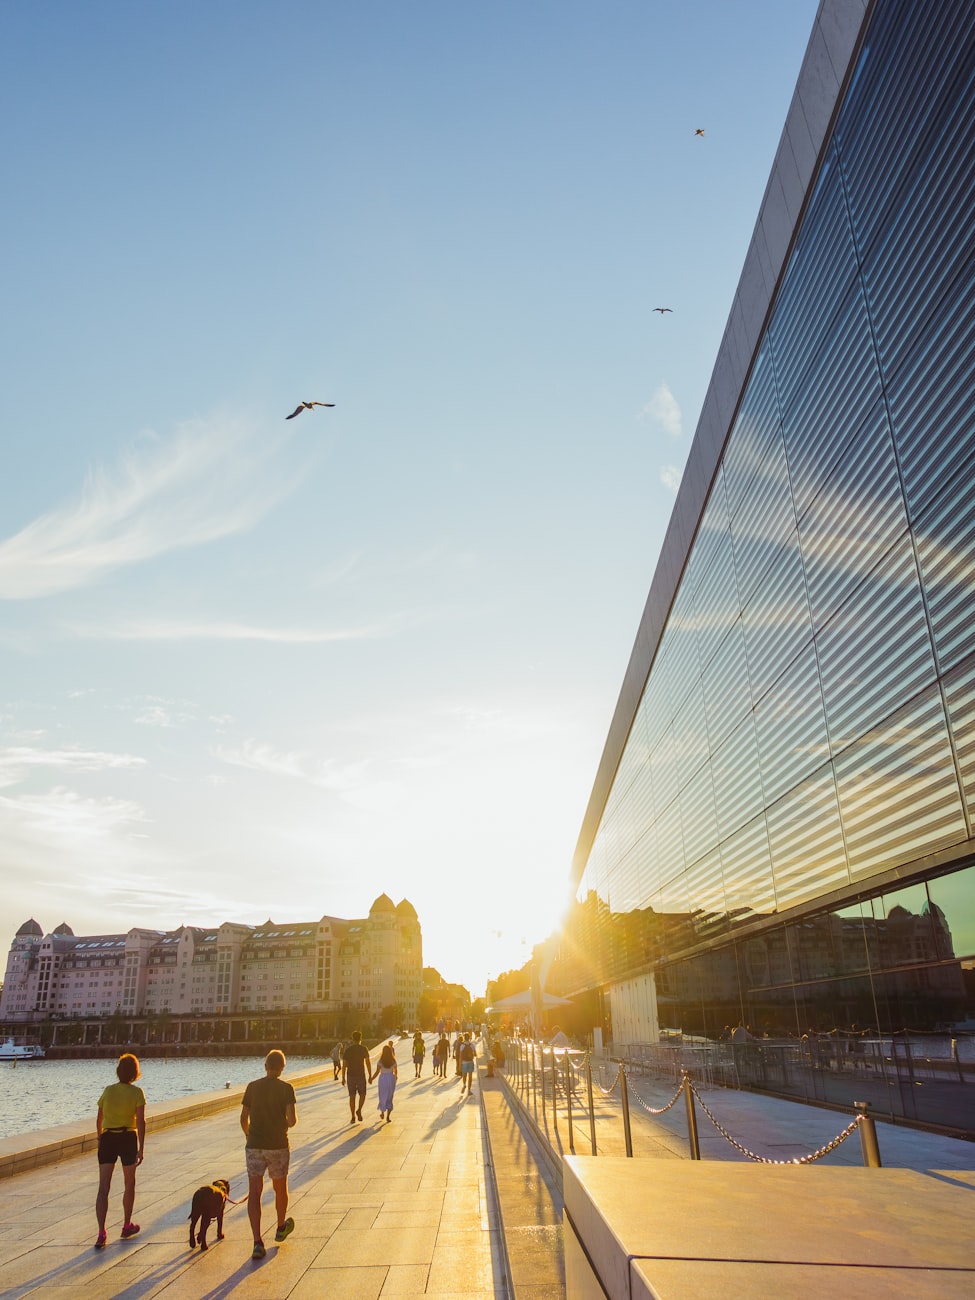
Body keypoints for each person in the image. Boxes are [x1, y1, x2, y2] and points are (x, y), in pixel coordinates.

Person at [240, 1049, 297, 1261]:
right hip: (278, 1146)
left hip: (254, 1145)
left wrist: (249, 1135)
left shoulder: (252, 1087)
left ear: (265, 1066)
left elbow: (243, 1118)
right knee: (280, 1188)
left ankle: (257, 1242)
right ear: (282, 1068)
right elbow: (291, 1121)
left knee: (254, 1191)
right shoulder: (286, 1088)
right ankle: (280, 1227)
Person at [94, 1052, 146, 1248]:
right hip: (127, 1138)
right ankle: (126, 1224)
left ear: (118, 1071)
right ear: (135, 1073)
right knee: (129, 1183)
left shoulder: (108, 1091)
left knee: (103, 1187)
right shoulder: (137, 1093)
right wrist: (141, 1147)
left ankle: (101, 1232)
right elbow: (140, 1121)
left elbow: (99, 1117)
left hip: (108, 1137)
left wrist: (100, 1137)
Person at [342, 1030, 372, 1124]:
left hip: (350, 1075)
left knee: (352, 1096)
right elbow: (367, 1062)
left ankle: (352, 1116)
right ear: (360, 1039)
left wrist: (343, 1077)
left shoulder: (348, 1050)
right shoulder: (364, 1049)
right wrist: (370, 1075)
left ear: (352, 1038)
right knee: (363, 1094)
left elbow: (344, 1065)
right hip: (360, 1075)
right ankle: (359, 1110)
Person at [376, 1041, 398, 1122]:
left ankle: (382, 1112)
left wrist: (371, 1078)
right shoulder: (393, 1060)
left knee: (382, 1095)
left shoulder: (380, 1061)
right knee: (390, 1097)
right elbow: (396, 1071)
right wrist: (395, 1077)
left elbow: (377, 1071)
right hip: (391, 1078)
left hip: (382, 1079)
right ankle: (388, 1116)